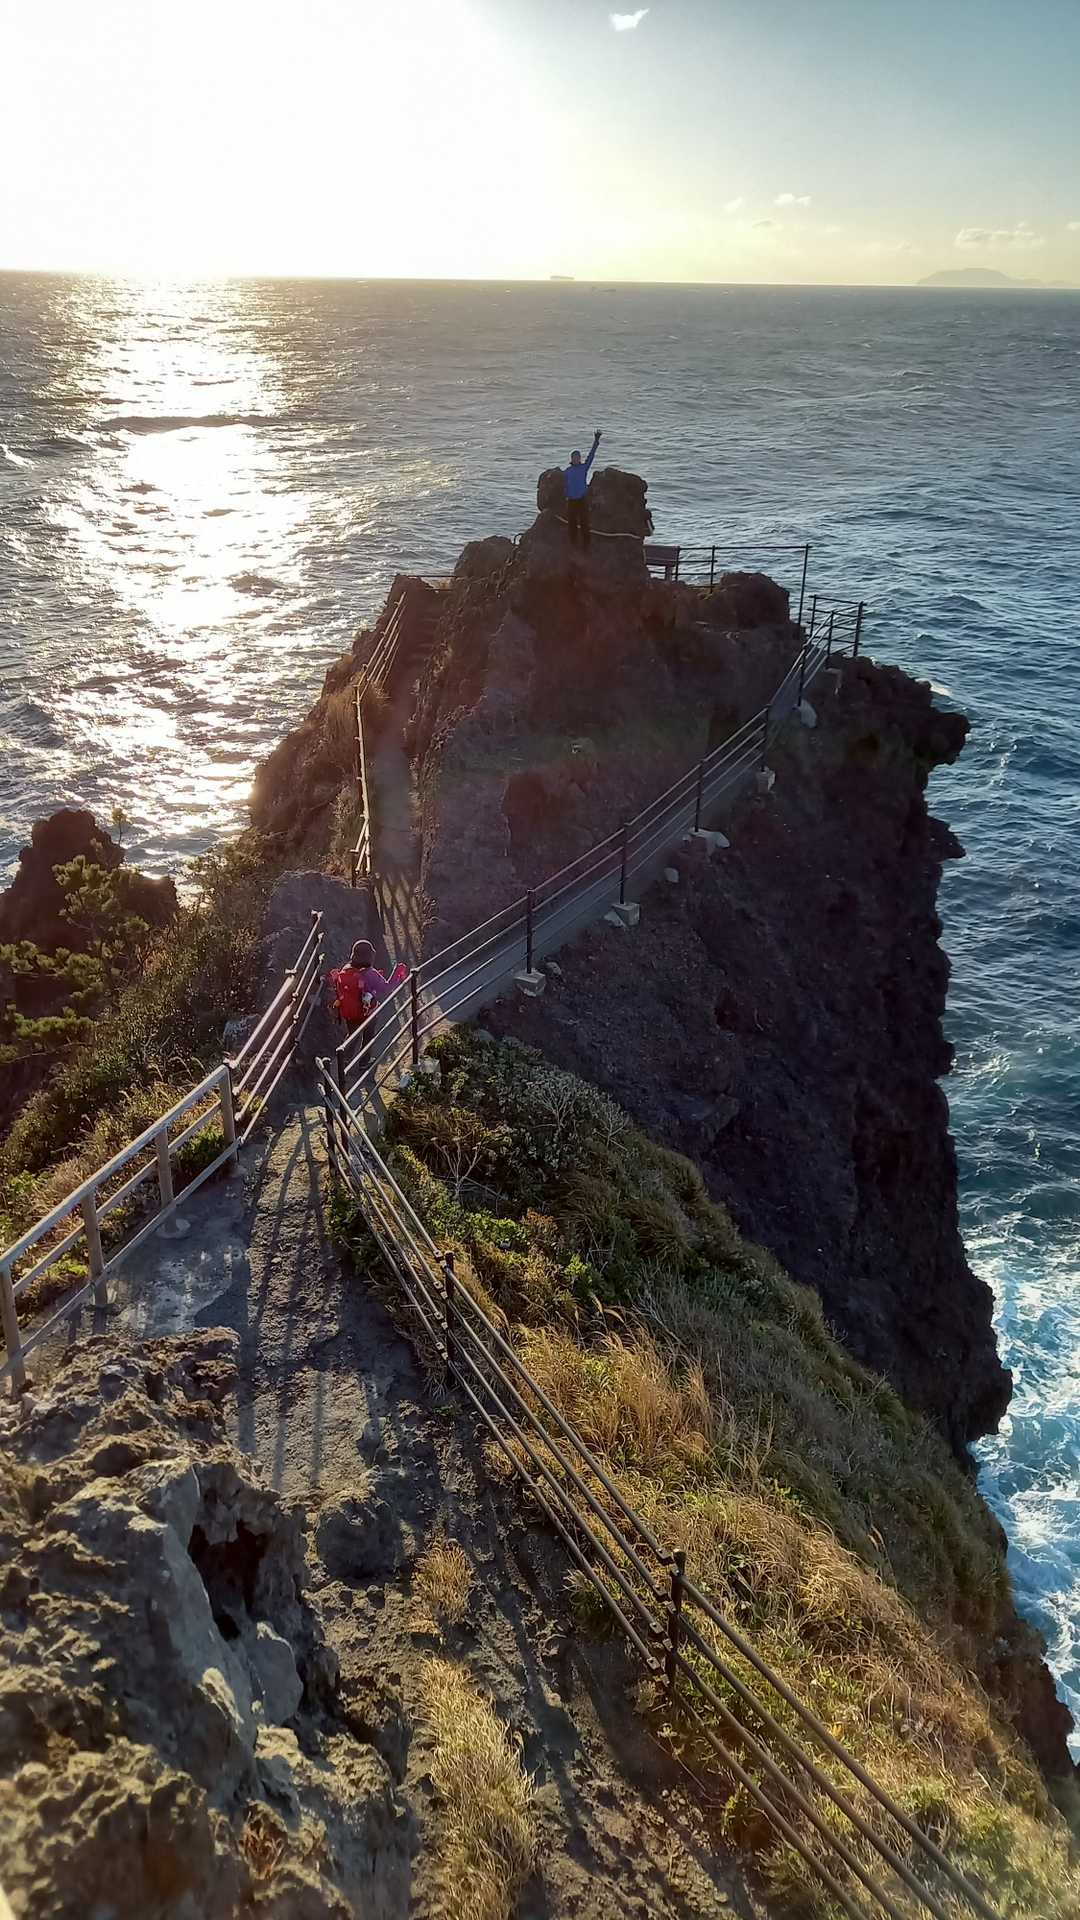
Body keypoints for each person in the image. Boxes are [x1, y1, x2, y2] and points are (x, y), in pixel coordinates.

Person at [329, 940, 407, 1035]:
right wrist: (397, 972)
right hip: (366, 1013)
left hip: (349, 1013)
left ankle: (348, 1044)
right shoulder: (370, 973)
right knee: (368, 1037)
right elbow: (386, 988)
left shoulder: (346, 969)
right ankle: (367, 1044)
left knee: (352, 1036)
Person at [563, 428, 602, 550]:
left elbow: (591, 456)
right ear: (571, 459)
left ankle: (586, 545)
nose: (576, 459)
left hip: (582, 499)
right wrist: (566, 494)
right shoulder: (567, 471)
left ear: (579, 458)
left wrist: (596, 441)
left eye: (578, 457)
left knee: (585, 523)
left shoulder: (583, 468)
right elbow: (563, 484)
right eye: (574, 457)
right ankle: (573, 544)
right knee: (572, 524)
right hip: (571, 500)